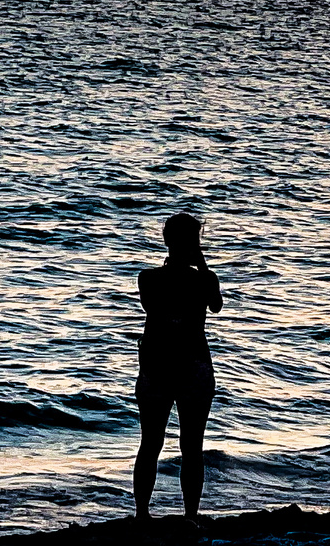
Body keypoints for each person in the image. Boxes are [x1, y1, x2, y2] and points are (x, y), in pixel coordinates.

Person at [133, 213, 223, 521]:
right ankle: (189, 516)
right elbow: (215, 304)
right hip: (192, 366)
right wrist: (203, 266)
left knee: (151, 443)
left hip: (158, 366)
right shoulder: (202, 280)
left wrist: (199, 269)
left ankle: (142, 514)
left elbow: (157, 308)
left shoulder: (148, 278)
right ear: (194, 243)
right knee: (191, 446)